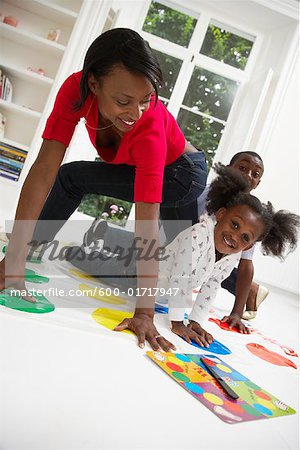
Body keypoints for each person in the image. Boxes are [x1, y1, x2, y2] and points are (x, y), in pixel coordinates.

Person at [0, 28, 207, 351]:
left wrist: (144, 312)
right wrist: (11, 263)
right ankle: (21, 254)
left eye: (146, 100)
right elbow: (44, 168)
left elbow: (145, 225)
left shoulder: (148, 128)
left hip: (184, 174)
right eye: (124, 101)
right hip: (166, 167)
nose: (136, 113)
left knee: (182, 247)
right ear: (94, 84)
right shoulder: (75, 90)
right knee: (178, 250)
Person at [65, 164, 299, 346]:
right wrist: (177, 323)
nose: (235, 237)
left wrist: (196, 321)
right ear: (221, 214)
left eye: (246, 238)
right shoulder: (199, 235)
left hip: (161, 292)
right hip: (140, 275)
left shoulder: (232, 256)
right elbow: (180, 280)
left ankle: (95, 243)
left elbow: (212, 285)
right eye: (235, 225)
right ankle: (75, 252)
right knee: (102, 266)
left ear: (249, 246)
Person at [198, 151, 268, 329]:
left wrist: (236, 312)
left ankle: (251, 291)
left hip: (207, 259)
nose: (248, 175)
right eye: (242, 168)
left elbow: (246, 263)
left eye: (255, 174)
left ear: (257, 184)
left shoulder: (250, 213)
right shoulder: (206, 195)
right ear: (229, 169)